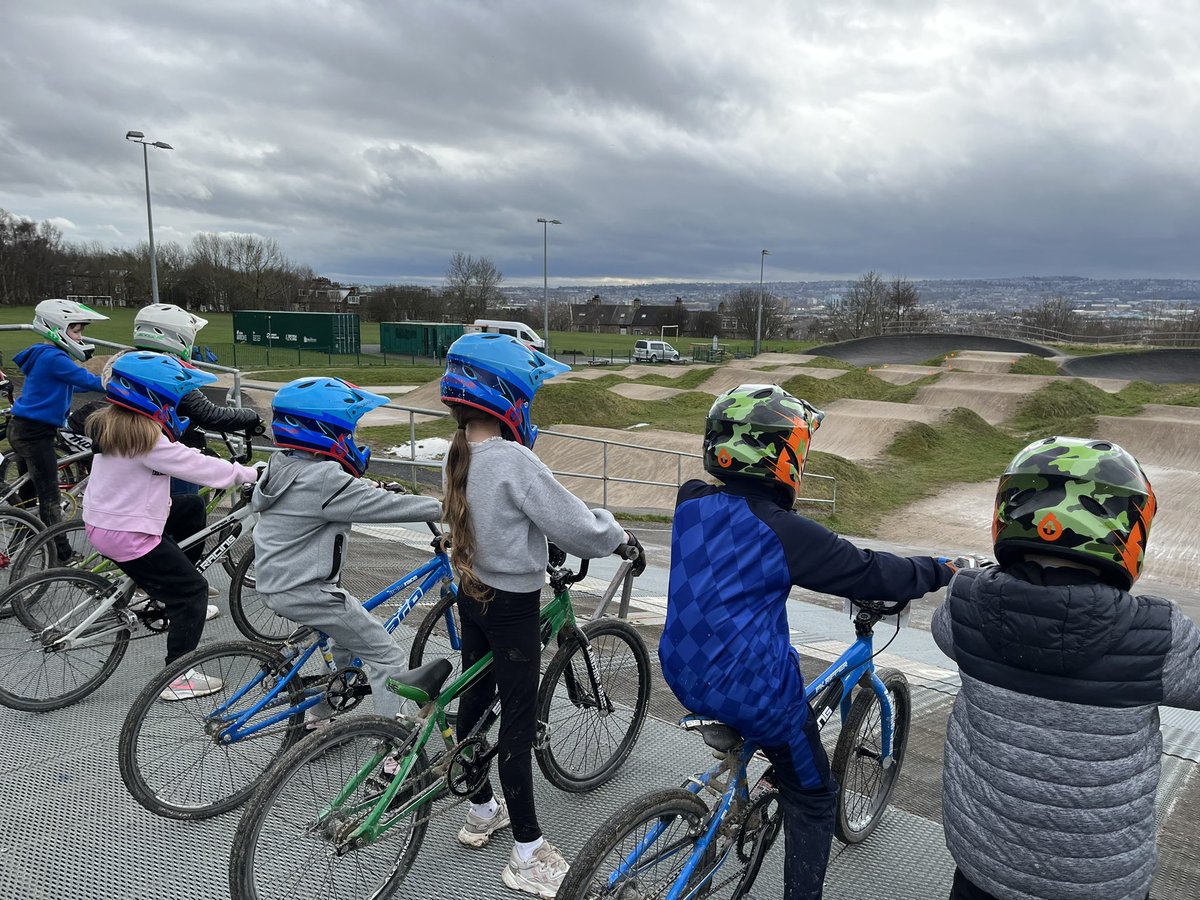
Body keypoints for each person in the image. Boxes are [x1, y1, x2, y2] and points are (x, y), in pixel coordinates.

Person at [658, 384, 962, 900]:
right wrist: (942, 570)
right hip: (752, 691)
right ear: (782, 455)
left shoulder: (691, 500)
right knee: (816, 796)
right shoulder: (782, 532)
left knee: (777, 713)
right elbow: (867, 571)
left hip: (682, 667)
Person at [932, 436, 1200, 900]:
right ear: (1127, 527)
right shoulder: (1159, 634)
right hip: (1100, 883)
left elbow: (942, 630)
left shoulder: (966, 603)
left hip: (983, 865)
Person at [440, 332, 643, 899]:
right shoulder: (515, 460)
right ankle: (527, 851)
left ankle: (481, 809)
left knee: (476, 702)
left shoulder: (459, 454)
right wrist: (620, 537)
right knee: (519, 726)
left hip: (471, 592)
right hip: (511, 607)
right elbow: (576, 523)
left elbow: (491, 520)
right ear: (509, 396)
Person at [250, 376, 441, 725]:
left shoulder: (284, 465)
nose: (351, 441)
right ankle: (394, 746)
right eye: (347, 433)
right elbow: (381, 506)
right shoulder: (324, 479)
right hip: (307, 589)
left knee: (347, 642)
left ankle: (321, 715)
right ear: (326, 432)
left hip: (278, 581)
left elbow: (336, 492)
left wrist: (369, 485)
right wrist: (451, 508)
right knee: (387, 658)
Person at [82, 352, 259, 699]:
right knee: (192, 593)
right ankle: (178, 677)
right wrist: (252, 473)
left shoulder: (115, 424)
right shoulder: (145, 438)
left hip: (109, 521)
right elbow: (198, 468)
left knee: (191, 506)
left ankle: (166, 587)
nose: (174, 406)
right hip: (128, 533)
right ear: (153, 398)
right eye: (170, 399)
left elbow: (183, 458)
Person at [9, 299, 109, 562]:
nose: (80, 337)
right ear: (56, 329)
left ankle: (23, 539)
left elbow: (70, 385)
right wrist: (122, 384)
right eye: (76, 331)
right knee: (50, 499)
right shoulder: (55, 357)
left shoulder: (45, 355)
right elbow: (87, 381)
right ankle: (63, 556)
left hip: (23, 428)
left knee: (29, 497)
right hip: (36, 433)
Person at [130, 303, 264, 495]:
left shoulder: (131, 365)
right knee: (190, 511)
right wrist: (252, 417)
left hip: (146, 456)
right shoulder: (166, 373)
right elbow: (209, 414)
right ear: (180, 339)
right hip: (172, 457)